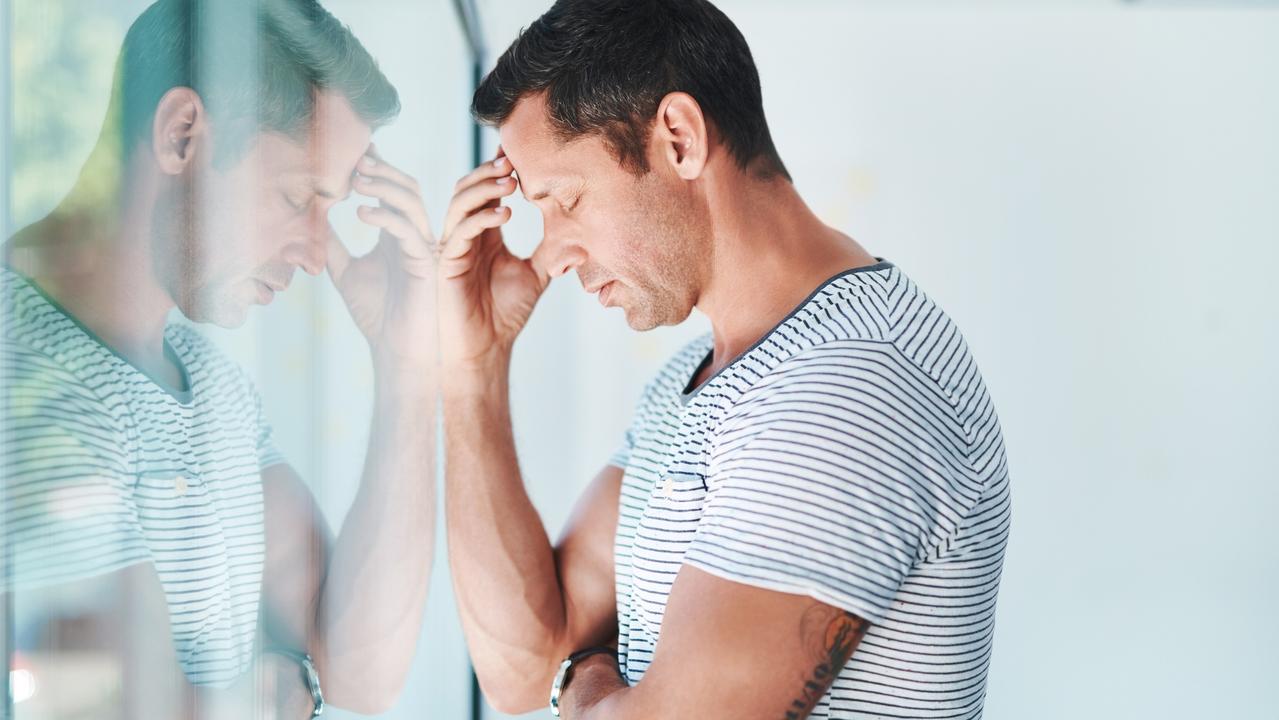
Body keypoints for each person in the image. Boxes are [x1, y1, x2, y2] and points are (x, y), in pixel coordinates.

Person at [438, 1, 1012, 718]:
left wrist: (583, 676)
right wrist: (474, 367)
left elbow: (571, 672)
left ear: (677, 138)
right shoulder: (700, 381)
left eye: (567, 200)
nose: (550, 255)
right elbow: (522, 666)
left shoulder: (845, 390)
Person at [1, 0, 437, 716]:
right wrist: (277, 685)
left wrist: (405, 367)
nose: (318, 252)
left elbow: (358, 671)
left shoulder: (208, 385)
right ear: (182, 135)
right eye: (299, 195)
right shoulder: (27, 380)